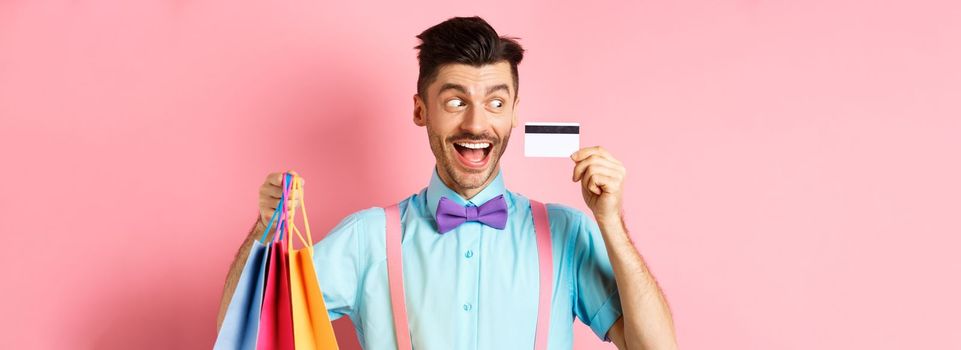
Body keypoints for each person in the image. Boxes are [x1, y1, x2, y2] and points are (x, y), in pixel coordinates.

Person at [218, 16, 677, 350]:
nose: (477, 124)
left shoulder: (567, 233)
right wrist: (265, 227)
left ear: (515, 112)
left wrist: (611, 223)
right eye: (456, 101)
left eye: (496, 103)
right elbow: (241, 333)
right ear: (421, 110)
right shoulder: (366, 238)